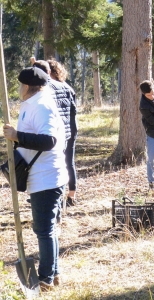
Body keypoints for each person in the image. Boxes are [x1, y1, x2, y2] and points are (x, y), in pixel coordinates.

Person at [3, 67, 68, 291]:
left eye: (20, 85)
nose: (18, 89)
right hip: (40, 176)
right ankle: (54, 274)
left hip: (47, 178)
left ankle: (46, 278)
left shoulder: (42, 106)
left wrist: (17, 136)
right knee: (47, 229)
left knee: (44, 230)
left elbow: (49, 141)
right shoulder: (32, 104)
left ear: (27, 87)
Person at [32, 58, 78, 206]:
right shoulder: (66, 87)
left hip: (58, 131)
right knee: (68, 163)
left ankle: (59, 198)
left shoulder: (46, 89)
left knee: (59, 164)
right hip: (69, 130)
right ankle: (70, 196)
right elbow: (73, 111)